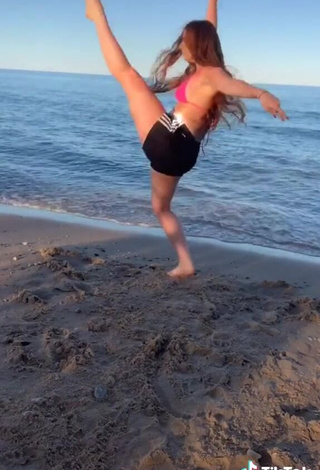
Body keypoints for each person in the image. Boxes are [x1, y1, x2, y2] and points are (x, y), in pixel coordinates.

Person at [85, 0, 288, 278]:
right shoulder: (203, 70)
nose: (181, 47)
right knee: (160, 207)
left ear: (197, 44)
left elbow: (234, 86)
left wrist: (262, 94)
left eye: (184, 42)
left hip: (170, 138)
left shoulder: (212, 75)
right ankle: (185, 264)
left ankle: (97, 16)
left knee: (127, 75)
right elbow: (211, 30)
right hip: (182, 153)